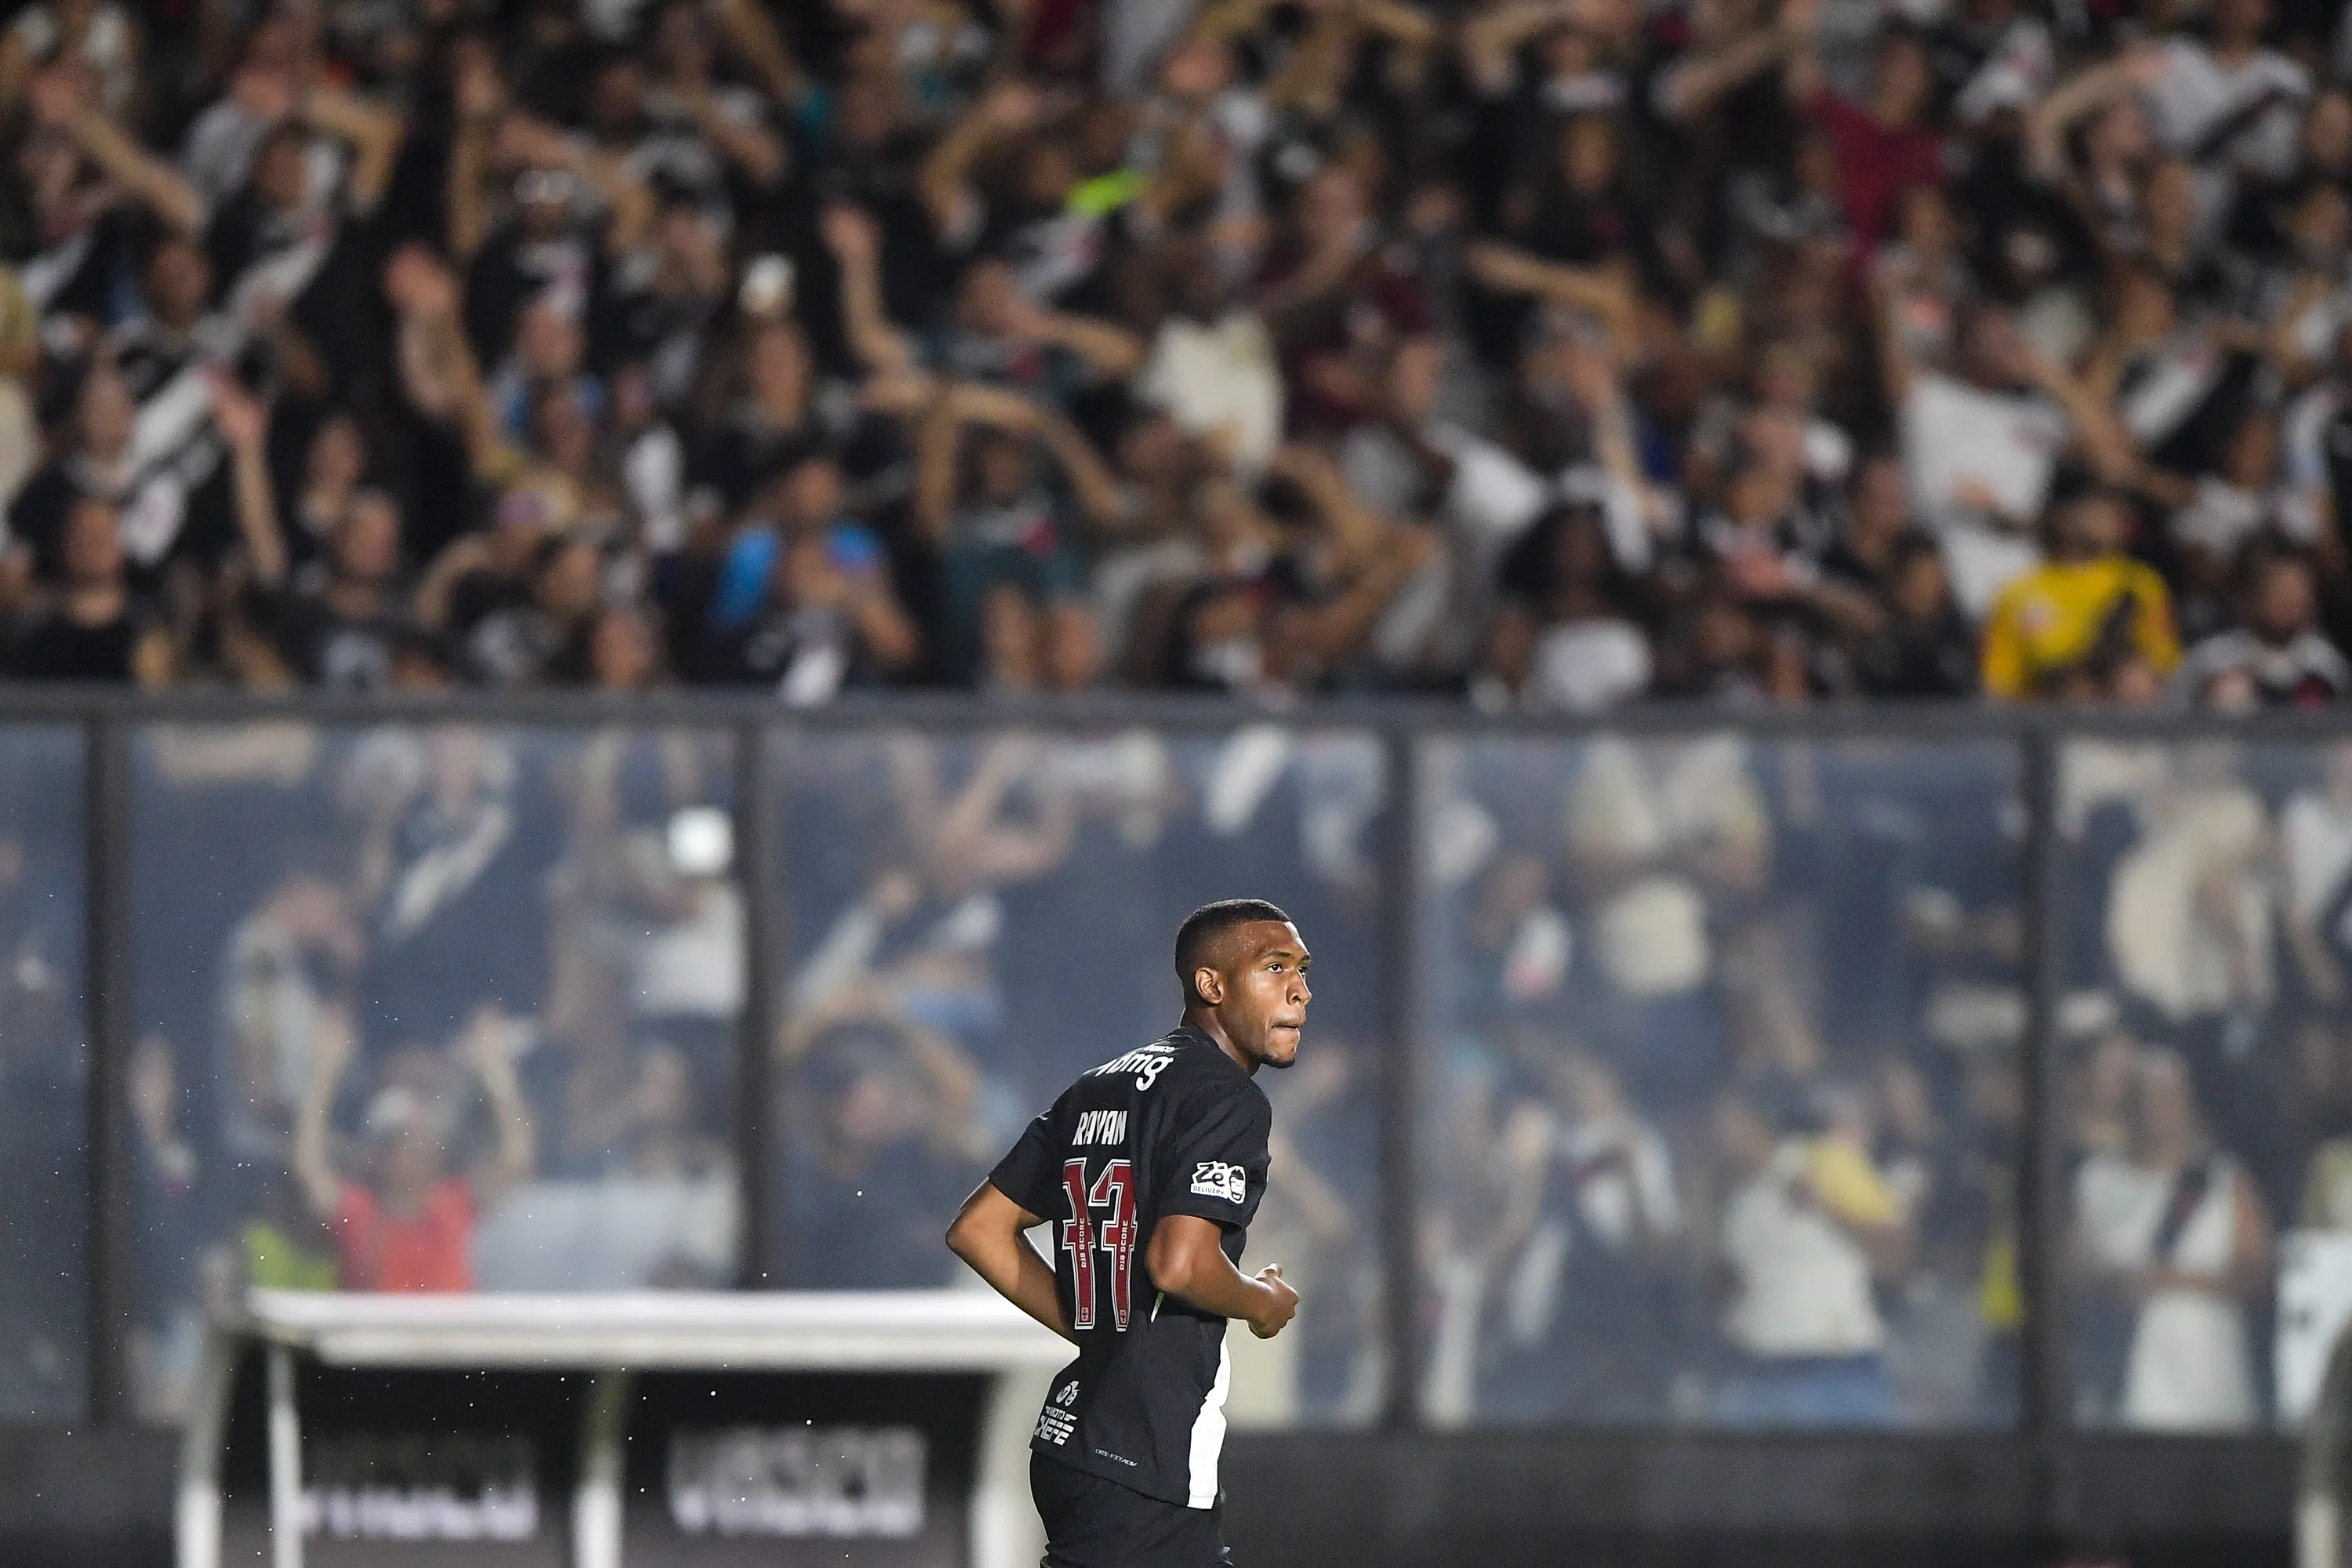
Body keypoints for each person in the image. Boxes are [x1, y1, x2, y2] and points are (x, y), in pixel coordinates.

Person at [946, 898, 1308, 1568]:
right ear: (1211, 985)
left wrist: (1101, 1331)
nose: (1300, 991)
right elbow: (1179, 1264)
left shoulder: (1098, 1086)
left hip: (1078, 1436)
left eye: (1302, 971)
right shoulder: (1227, 1097)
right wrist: (1261, 1302)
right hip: (1143, 1451)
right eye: (1275, 966)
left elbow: (980, 1229)